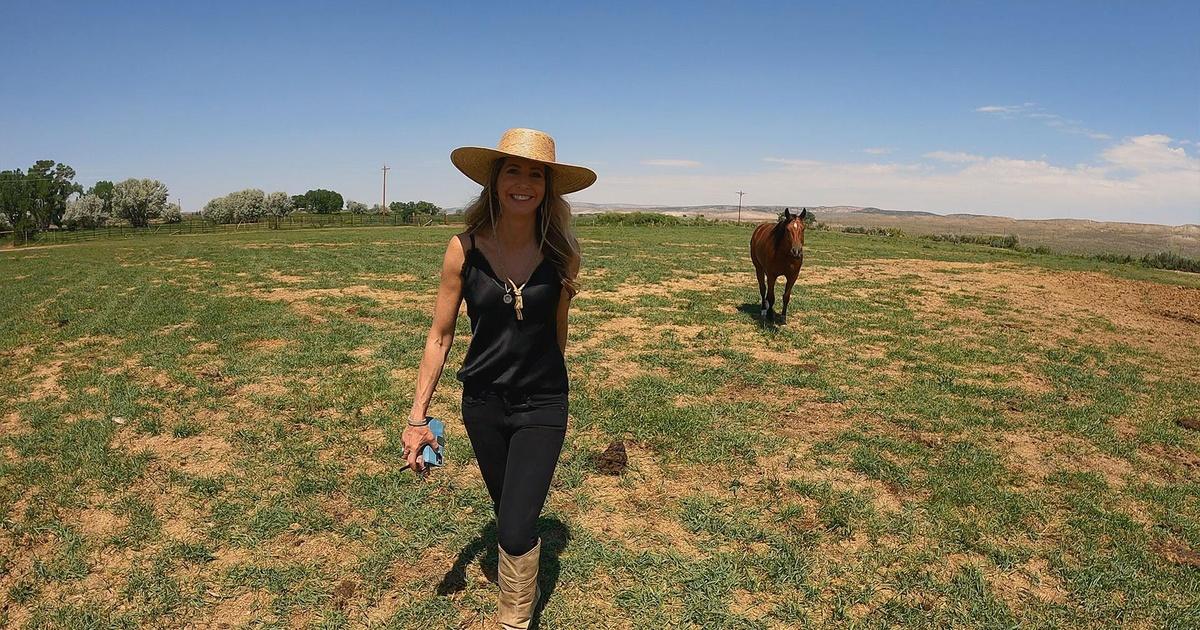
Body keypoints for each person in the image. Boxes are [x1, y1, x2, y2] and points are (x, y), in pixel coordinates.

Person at [402, 128, 596, 629]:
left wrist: (545, 381)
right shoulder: (463, 250)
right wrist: (418, 417)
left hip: (542, 403)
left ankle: (514, 617)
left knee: (511, 529)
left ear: (548, 188)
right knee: (510, 508)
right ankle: (520, 567)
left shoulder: (562, 254)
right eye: (514, 170)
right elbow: (440, 336)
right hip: (483, 403)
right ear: (495, 180)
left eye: (537, 174)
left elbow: (559, 331)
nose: (524, 182)